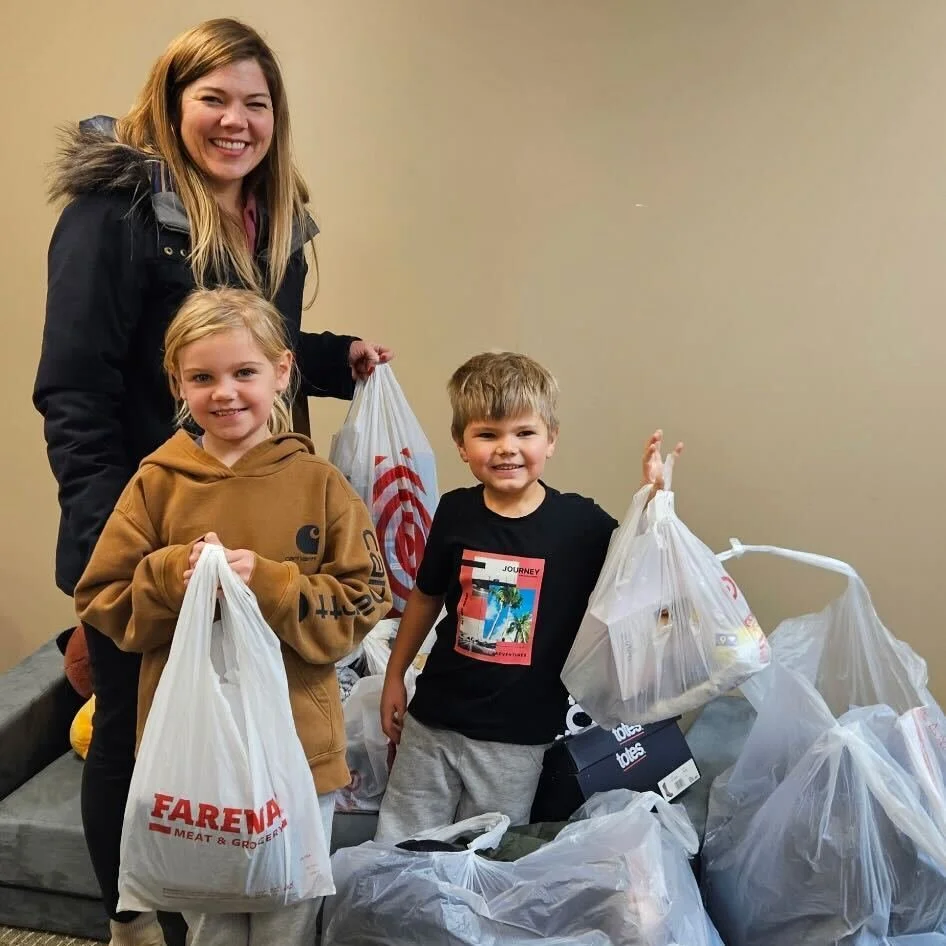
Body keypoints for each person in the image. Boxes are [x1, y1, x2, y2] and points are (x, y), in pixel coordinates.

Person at [32, 18, 391, 944]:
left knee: (256, 722)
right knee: (133, 732)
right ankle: (137, 924)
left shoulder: (275, 219)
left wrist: (329, 357)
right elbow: (75, 389)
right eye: (214, 99)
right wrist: (113, 539)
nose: (237, 121)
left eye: (256, 103)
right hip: (149, 530)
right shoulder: (113, 218)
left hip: (256, 532)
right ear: (171, 102)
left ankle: (238, 903)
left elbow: (250, 343)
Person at [75, 287, 393, 945]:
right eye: (202, 378)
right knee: (211, 927)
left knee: (285, 921)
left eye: (244, 372)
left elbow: (365, 599)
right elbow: (102, 599)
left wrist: (271, 585)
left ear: (282, 371)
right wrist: (171, 575)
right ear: (177, 383)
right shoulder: (156, 484)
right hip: (194, 757)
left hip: (299, 750)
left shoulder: (319, 484)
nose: (224, 393)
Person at [375, 351, 682, 842]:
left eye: (524, 433)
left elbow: (637, 568)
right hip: (433, 721)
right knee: (401, 843)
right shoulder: (455, 511)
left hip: (517, 738)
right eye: (487, 434)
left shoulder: (580, 525)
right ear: (461, 444)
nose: (506, 449)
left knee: (486, 851)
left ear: (551, 439)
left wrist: (654, 500)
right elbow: (426, 597)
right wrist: (395, 675)